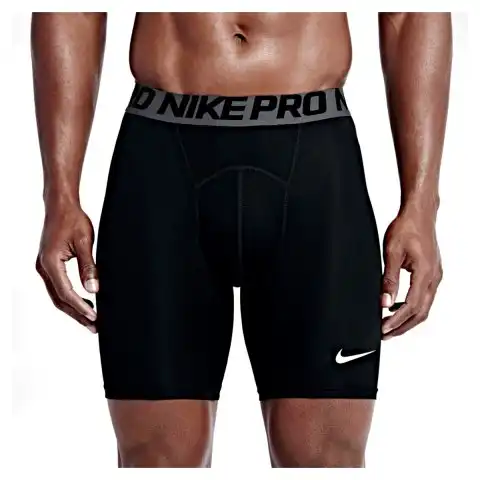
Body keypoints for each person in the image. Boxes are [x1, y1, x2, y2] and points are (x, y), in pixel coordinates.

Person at [31, 13, 451, 468]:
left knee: (324, 459)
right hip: (162, 165)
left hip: (314, 165)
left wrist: (421, 204)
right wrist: (60, 194)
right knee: (157, 459)